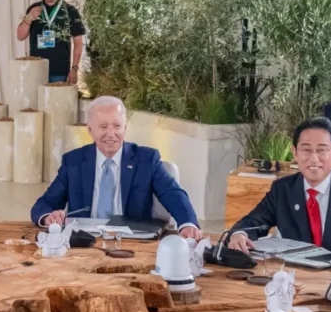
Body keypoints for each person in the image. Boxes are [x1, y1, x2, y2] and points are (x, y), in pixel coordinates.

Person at [30, 96, 202, 239]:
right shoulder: (73, 162)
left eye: (117, 126)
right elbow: (45, 204)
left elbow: (172, 194)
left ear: (125, 128)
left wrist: (187, 224)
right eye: (103, 127)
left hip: (132, 242)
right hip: (84, 241)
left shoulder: (146, 160)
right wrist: (47, 218)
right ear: (90, 130)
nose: (111, 134)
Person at [226, 117, 331, 259]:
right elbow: (252, 222)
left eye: (322, 150)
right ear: (295, 153)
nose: (314, 158)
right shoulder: (282, 189)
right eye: (306, 150)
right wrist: (240, 234)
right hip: (294, 279)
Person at [16, 0, 85, 84]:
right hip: (36, 71)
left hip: (60, 72)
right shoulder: (33, 9)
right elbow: (20, 36)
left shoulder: (70, 11)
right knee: (36, 101)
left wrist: (75, 68)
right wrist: (28, 18)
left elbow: (78, 42)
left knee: (57, 101)